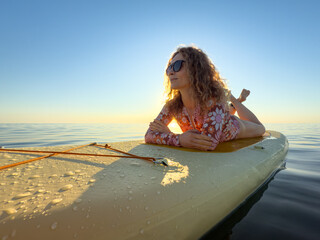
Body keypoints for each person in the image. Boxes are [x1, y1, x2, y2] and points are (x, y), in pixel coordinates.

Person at [145, 46, 265, 151]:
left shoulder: (213, 100)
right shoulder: (172, 106)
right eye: (169, 67)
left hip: (236, 126)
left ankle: (234, 99)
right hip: (219, 117)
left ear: (195, 69)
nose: (170, 72)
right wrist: (179, 139)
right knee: (224, 112)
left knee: (261, 128)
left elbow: (209, 143)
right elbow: (149, 135)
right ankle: (233, 104)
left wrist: (169, 135)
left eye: (177, 66)